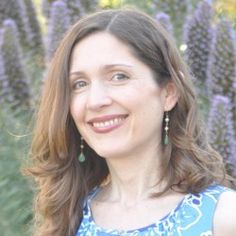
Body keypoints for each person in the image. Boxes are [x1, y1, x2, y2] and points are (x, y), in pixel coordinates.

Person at [26, 9, 236, 236]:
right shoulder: (67, 218)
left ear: (169, 93)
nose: (95, 101)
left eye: (119, 76)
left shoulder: (223, 218)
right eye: (79, 84)